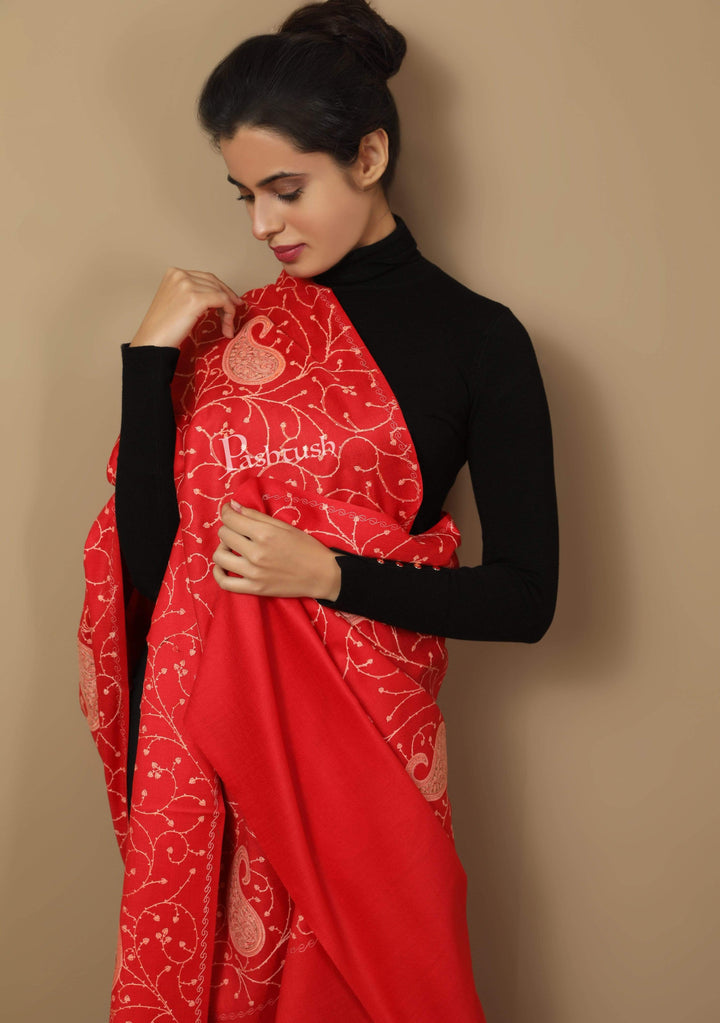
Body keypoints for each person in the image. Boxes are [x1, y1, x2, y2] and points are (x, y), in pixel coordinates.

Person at [78, 1, 558, 1020]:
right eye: (245, 195)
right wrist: (149, 359)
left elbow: (527, 598)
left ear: (369, 155)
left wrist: (329, 575)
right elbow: (152, 571)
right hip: (212, 752)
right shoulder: (229, 336)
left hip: (363, 769)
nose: (262, 226)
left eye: (286, 190)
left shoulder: (481, 342)